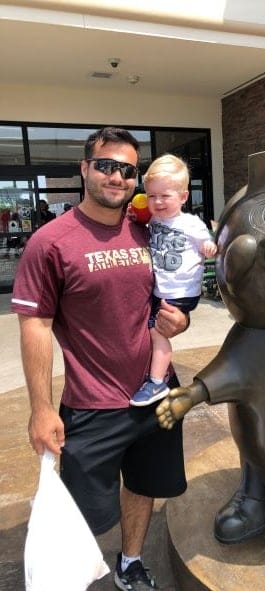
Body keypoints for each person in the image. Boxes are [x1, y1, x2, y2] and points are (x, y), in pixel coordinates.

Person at [11, 127, 189, 591]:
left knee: (145, 485)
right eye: (106, 165)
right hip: (92, 404)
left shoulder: (151, 229)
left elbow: (173, 292)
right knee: (81, 512)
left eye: (127, 170)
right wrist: (42, 408)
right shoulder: (51, 243)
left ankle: (130, 561)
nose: (117, 177)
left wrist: (181, 322)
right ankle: (67, 576)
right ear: (85, 168)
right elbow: (36, 324)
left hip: (156, 394)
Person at [129, 154, 217, 407]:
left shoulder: (191, 223)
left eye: (165, 196)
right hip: (162, 289)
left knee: (157, 332)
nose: (157, 202)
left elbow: (206, 243)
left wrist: (209, 247)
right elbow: (144, 223)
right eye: (152, 196)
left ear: (183, 197)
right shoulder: (154, 219)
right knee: (150, 329)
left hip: (181, 290)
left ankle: (156, 382)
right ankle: (152, 374)